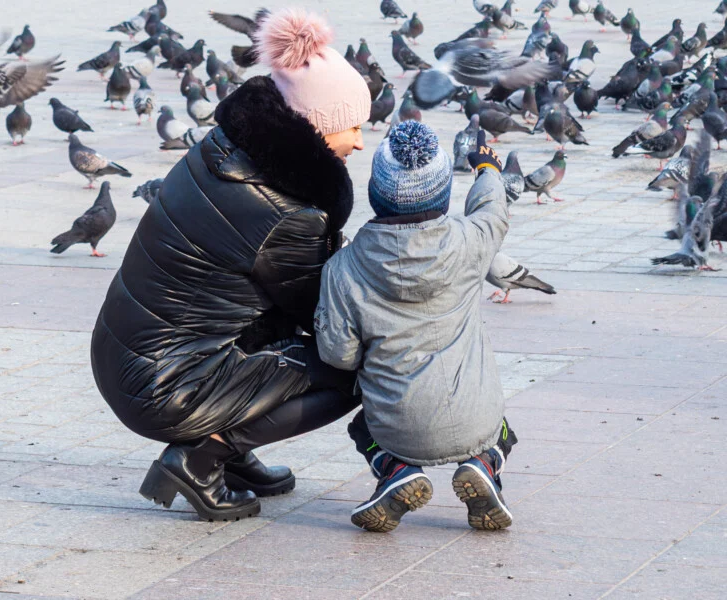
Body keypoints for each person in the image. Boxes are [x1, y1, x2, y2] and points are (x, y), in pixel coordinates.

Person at [89, 8, 371, 522]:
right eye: (351, 126)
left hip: (128, 356)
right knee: (351, 369)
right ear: (313, 126)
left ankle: (232, 452)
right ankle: (202, 458)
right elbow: (326, 316)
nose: (358, 140)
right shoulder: (286, 213)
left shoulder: (225, 149)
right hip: (164, 385)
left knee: (269, 323)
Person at [314, 123, 519, 533]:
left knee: (361, 427)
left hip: (395, 427)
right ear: (443, 195)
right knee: (501, 430)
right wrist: (487, 170)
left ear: (374, 194)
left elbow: (337, 354)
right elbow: (492, 211)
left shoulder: (343, 267)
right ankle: (484, 464)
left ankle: (395, 471)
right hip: (477, 419)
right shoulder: (470, 242)